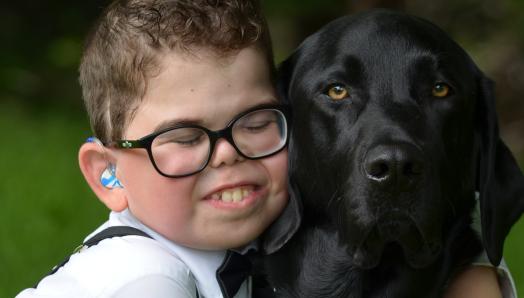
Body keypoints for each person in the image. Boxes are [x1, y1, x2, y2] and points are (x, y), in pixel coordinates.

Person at [15, 0, 515, 297]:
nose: (227, 154)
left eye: (253, 123)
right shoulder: (141, 278)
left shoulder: (240, 233)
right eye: (185, 137)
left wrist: (476, 275)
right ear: (108, 173)